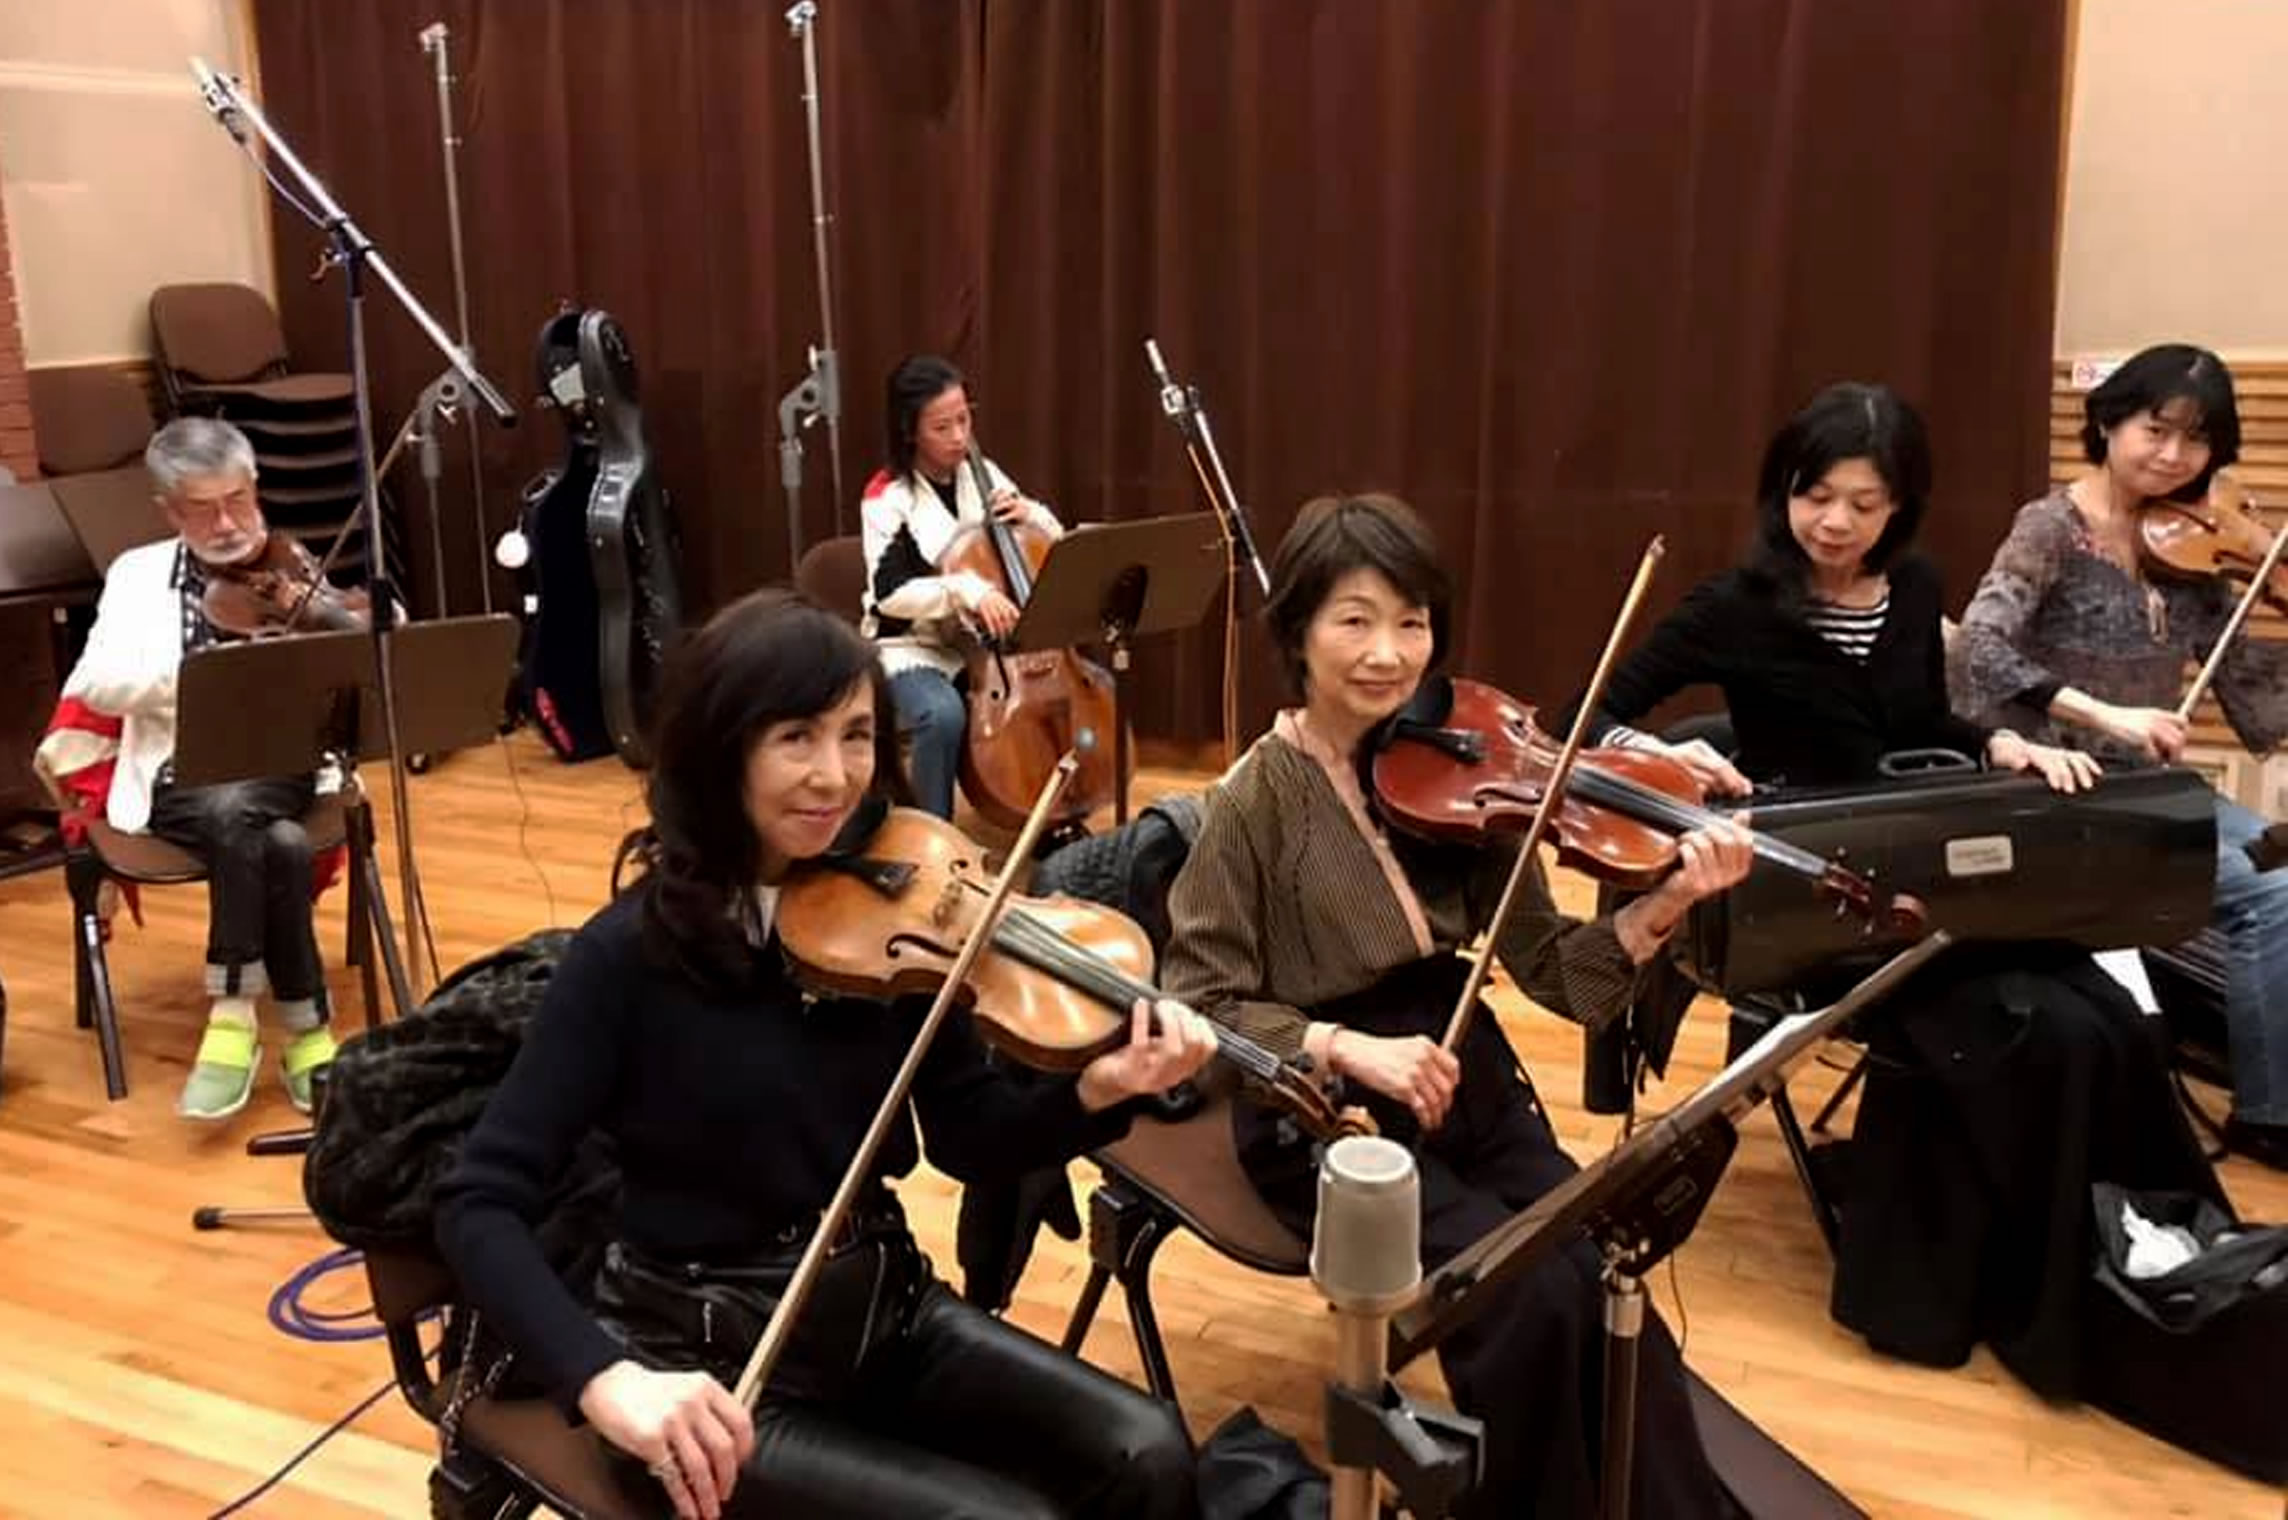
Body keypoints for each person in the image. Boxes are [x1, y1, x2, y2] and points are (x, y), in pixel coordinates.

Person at [434, 588, 1211, 1520]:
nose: (835, 776)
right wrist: (606, 1380)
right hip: (708, 1365)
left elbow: (969, 1135)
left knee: (1149, 1452)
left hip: (880, 1305)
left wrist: (1097, 1091)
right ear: (722, 750)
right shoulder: (626, 957)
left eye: (856, 735)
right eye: (795, 738)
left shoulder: (896, 919)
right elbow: (477, 1202)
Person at [1158, 493, 1755, 1519]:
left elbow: (1559, 976)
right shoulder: (1255, 798)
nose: (1388, 653)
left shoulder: (1462, 766)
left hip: (1458, 1074)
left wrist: (1663, 904)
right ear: (1295, 631)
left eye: (1412, 621)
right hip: (1323, 1113)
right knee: (1525, 1305)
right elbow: (1201, 1008)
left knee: (1598, 1268)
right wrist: (1345, 1046)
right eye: (1354, 620)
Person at [1951, 343, 2288, 1168]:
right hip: (2054, 785)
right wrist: (2102, 712)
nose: (2173, 455)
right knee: (2273, 895)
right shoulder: (2050, 529)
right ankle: (2271, 1114)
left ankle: (2267, 1090)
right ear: (2107, 422)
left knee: (2282, 868)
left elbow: (2252, 696)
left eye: (2197, 440)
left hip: (2149, 790)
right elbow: (1980, 649)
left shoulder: (2194, 553)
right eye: (2156, 429)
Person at [1555, 381, 2093, 796]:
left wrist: (1999, 743)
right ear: (1783, 491)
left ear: (1897, 506)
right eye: (1816, 497)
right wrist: (1656, 755)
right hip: (1782, 845)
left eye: (1863, 505)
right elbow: (1582, 718)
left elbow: (1921, 722)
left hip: (1895, 836)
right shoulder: (1736, 606)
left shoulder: (1915, 586)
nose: (1836, 522)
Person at [42, 417, 339, 1121]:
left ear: (255, 487)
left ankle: (232, 1018)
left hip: (281, 763)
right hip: (178, 774)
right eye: (202, 510)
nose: (227, 524)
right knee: (277, 839)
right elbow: (94, 683)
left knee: (240, 805)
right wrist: (195, 681)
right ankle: (307, 1029)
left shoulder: (291, 563)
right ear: (169, 511)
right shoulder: (136, 575)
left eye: (237, 500)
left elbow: (350, 654)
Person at [858, 355, 1063, 819]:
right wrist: (966, 590)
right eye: (941, 427)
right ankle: (934, 834)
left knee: (1066, 693)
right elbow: (890, 594)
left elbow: (1048, 545)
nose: (958, 437)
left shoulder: (983, 472)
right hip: (913, 647)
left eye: (964, 420)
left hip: (984, 646)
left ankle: (1049, 821)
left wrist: (1031, 514)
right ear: (909, 430)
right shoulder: (887, 496)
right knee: (941, 715)